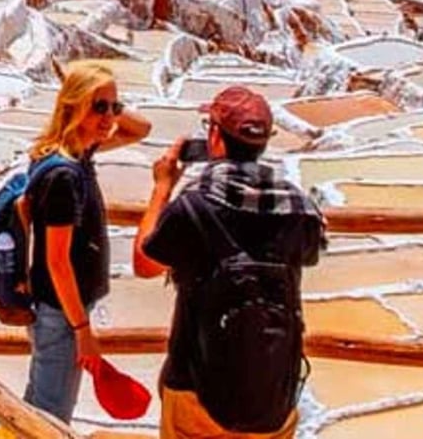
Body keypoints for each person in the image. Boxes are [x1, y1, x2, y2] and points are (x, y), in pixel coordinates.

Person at [133, 87, 325, 439]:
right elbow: (310, 254)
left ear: (215, 137)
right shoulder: (300, 208)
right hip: (272, 392)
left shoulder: (195, 203)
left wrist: (162, 186)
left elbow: (146, 263)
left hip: (195, 387)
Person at [23, 60, 152, 422]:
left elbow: (142, 128)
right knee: (50, 418)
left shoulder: (74, 154)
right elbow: (57, 261)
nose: (109, 116)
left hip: (60, 311)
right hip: (62, 314)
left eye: (114, 106)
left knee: (39, 406)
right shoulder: (63, 176)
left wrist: (102, 103)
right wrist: (82, 331)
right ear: (74, 105)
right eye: (99, 106)